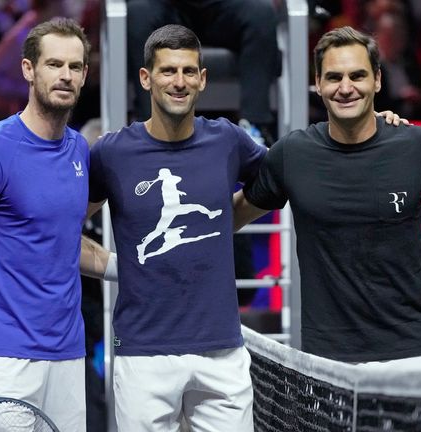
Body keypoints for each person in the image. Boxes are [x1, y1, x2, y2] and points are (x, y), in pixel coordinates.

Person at [0, 18, 114, 432]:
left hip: (68, 355)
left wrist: (135, 270)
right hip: (2, 358)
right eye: (53, 64)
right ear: (29, 70)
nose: (65, 75)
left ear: (85, 75)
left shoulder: (80, 152)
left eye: (74, 66)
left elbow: (61, 241)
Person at [235, 26, 421, 368]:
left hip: (410, 356)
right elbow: (229, 218)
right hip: (326, 361)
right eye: (334, 77)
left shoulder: (417, 146)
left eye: (358, 76)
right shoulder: (291, 154)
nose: (346, 88)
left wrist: (402, 256)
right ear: (317, 83)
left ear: (377, 80)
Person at [87, 24, 266, 431]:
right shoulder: (112, 153)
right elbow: (64, 227)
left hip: (222, 351)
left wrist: (371, 118)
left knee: (196, 219)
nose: (179, 82)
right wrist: (117, 266)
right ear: (146, 78)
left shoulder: (228, 141)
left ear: (202, 79)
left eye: (189, 72)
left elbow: (278, 179)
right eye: (168, 71)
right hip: (143, 355)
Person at [126, 0, 279, 145]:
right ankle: (149, 129)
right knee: (139, 12)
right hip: (168, 9)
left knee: (261, 12)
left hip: (221, 8)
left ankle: (253, 127)